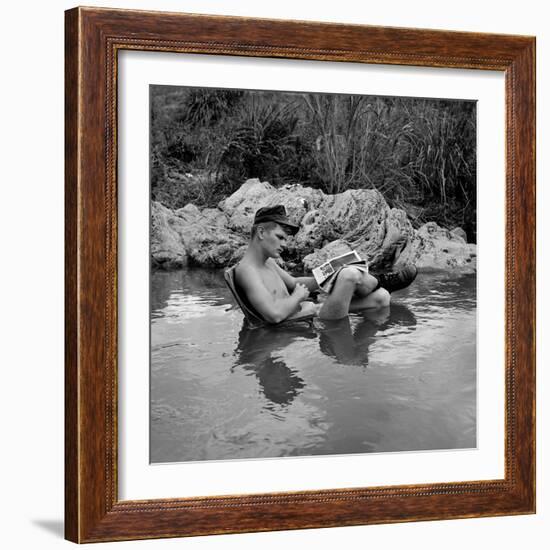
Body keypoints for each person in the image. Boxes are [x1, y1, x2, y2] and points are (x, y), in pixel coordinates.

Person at [234, 205, 417, 323]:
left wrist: (326, 273)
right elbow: (273, 315)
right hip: (305, 319)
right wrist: (297, 297)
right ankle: (381, 280)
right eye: (280, 237)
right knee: (349, 275)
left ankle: (383, 294)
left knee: (382, 298)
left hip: (311, 310)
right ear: (260, 232)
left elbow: (294, 284)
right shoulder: (247, 271)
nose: (284, 244)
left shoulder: (268, 263)